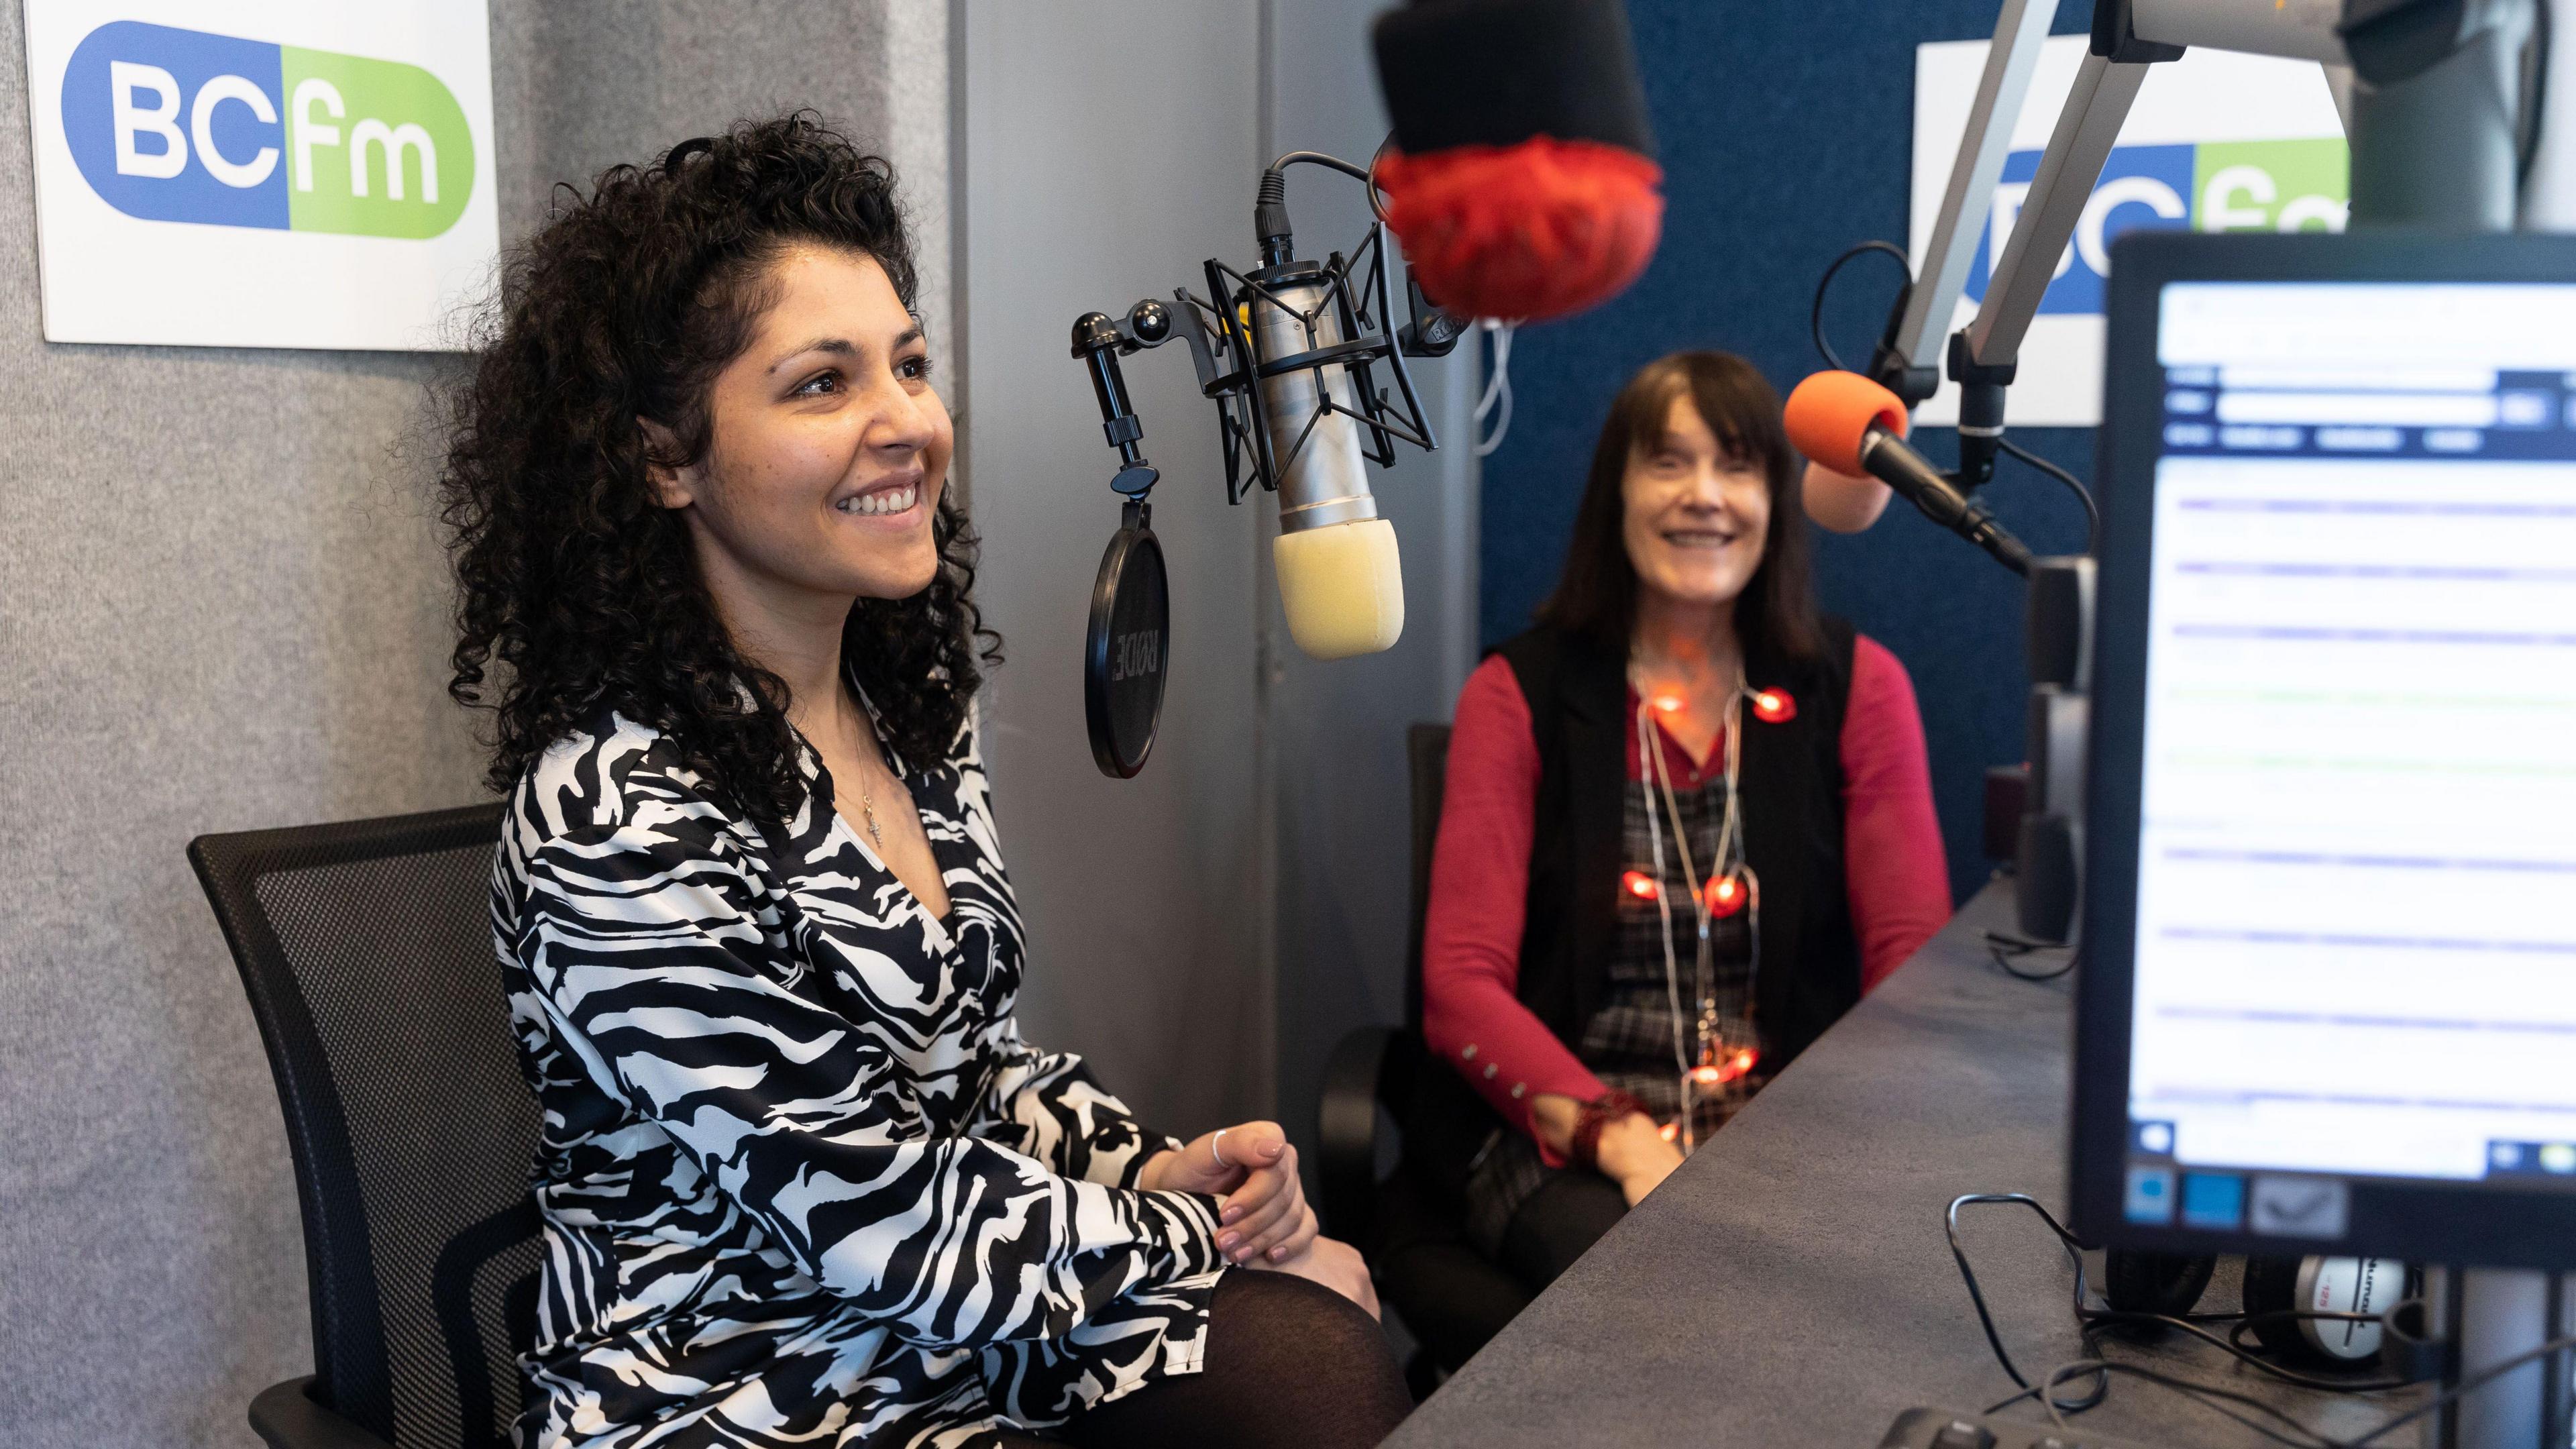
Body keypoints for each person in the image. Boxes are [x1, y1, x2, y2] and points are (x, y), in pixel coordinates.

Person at [440, 114, 1408, 1449]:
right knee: (1313, 1330)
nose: (907, 422)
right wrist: (1197, 1243)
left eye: (909, 364)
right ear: (664, 459)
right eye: (823, 384)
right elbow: (879, 1216)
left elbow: (969, 1071)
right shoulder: (614, 815)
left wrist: (1143, 1166)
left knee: (1320, 1357)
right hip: (739, 1392)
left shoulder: (908, 719)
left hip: (941, 1335)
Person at [1391, 351, 1951, 1366]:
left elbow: (1909, 969)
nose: (1704, 496)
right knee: (1667, 1299)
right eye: (1668, 464)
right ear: (1618, 494)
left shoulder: (1857, 690)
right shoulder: (1517, 694)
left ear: (1776, 501)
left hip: (1787, 1135)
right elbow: (1459, 989)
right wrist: (1624, 1136)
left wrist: (1805, 1154)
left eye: (1736, 466)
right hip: (1558, 1135)